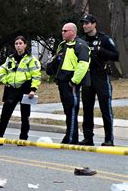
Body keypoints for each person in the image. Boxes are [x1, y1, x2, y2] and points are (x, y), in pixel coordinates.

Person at [46, 23, 90, 144]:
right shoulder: (63, 45)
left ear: (73, 32)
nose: (62, 33)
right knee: (67, 110)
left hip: (71, 84)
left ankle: (71, 138)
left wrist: (74, 81)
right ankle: (69, 136)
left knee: (71, 110)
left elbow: (83, 64)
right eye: (62, 30)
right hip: (62, 82)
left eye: (65, 31)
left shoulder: (80, 45)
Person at [79, 14, 119, 146]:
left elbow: (116, 55)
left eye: (87, 23)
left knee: (105, 108)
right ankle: (88, 137)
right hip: (87, 77)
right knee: (87, 108)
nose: (85, 26)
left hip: (101, 76)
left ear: (94, 24)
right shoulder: (82, 41)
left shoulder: (104, 39)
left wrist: (101, 50)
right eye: (83, 24)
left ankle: (109, 138)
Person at [0, 36, 41, 143]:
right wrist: (7, 81)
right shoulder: (10, 58)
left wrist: (33, 89)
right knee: (5, 115)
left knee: (25, 116)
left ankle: (23, 138)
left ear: (25, 45)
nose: (18, 46)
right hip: (11, 90)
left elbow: (36, 75)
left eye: (20, 43)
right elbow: (2, 71)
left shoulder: (31, 60)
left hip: (25, 90)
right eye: (16, 43)